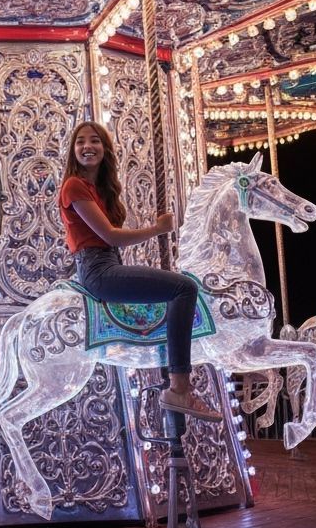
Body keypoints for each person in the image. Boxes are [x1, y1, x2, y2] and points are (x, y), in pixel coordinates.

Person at [58, 121, 220, 422]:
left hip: (107, 264)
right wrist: (157, 230)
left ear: (105, 150)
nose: (87, 147)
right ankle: (179, 388)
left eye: (95, 141)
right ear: (73, 150)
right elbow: (110, 236)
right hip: (98, 271)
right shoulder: (74, 186)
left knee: (178, 289)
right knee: (184, 288)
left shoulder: (99, 191)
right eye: (80, 142)